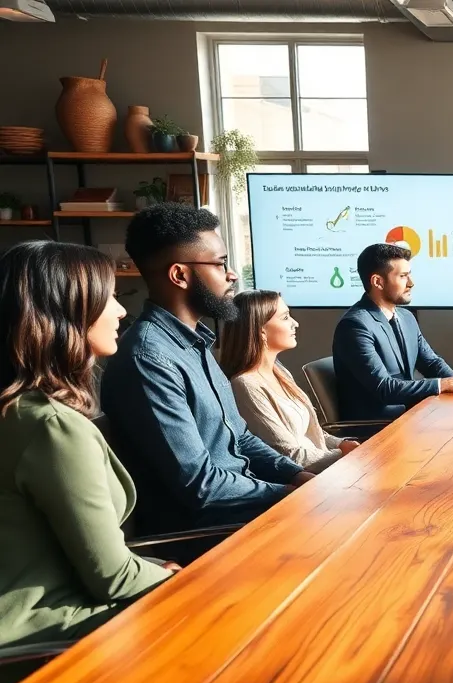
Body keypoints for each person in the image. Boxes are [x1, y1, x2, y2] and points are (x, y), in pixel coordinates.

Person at [0, 242, 176, 647]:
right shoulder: (51, 426)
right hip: (51, 641)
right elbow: (113, 579)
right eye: (110, 297)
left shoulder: (19, 412)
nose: (120, 310)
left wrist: (151, 566)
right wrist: (179, 578)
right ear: (64, 312)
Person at [100, 204, 314, 536]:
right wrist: (290, 495)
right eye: (220, 264)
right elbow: (200, 485)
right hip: (206, 533)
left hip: (246, 509)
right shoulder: (149, 360)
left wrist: (297, 476)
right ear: (180, 275)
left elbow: (238, 437)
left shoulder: (197, 342)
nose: (231, 275)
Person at [333, 243, 453, 422]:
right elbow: (384, 389)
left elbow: (431, 364)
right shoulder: (354, 326)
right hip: (378, 428)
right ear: (378, 281)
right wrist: (445, 384)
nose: (411, 283)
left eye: (410, 274)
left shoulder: (406, 317)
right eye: (403, 276)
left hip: (412, 416)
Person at [220, 291, 359, 472]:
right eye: (285, 317)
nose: (296, 323)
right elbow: (288, 455)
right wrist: (345, 457)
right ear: (260, 330)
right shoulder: (245, 385)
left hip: (325, 469)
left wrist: (342, 444)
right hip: (305, 480)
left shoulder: (279, 371)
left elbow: (309, 434)